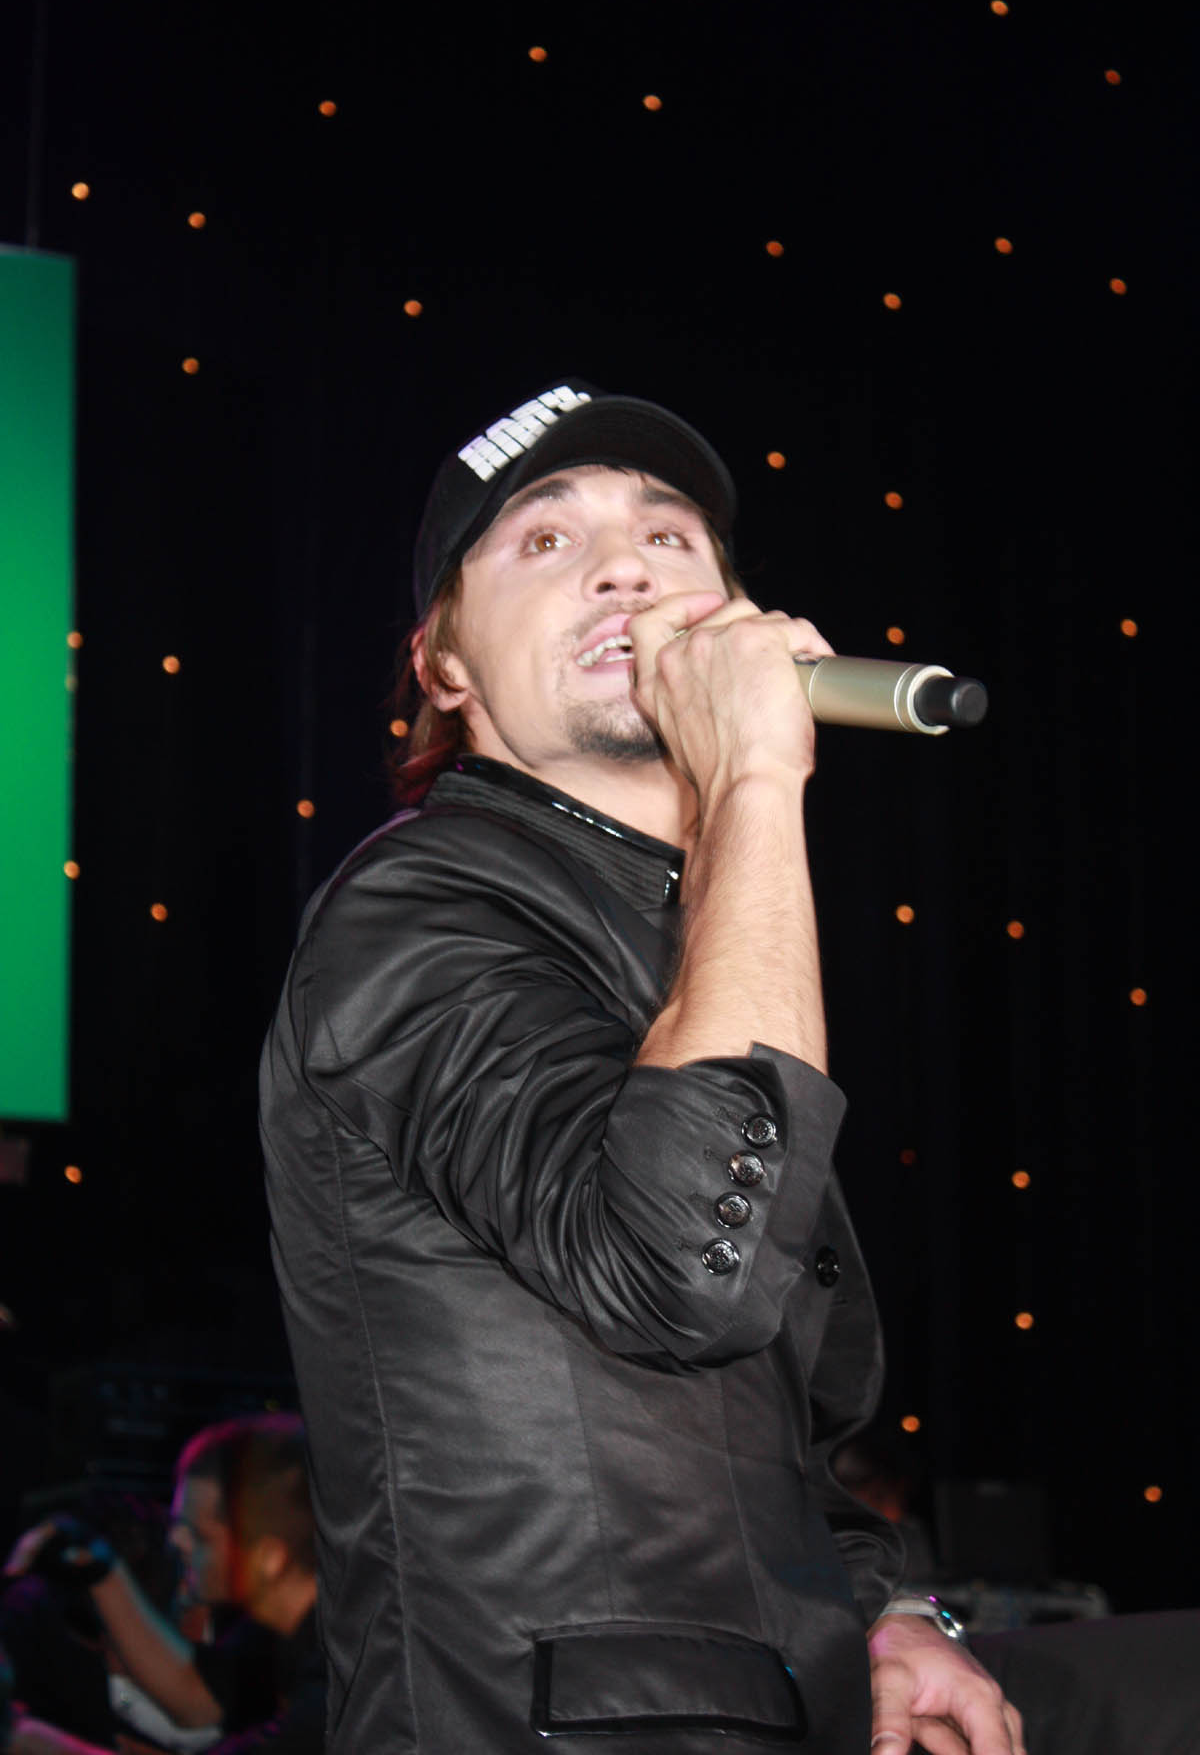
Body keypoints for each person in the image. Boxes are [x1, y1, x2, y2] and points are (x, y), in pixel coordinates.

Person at [260, 377, 1024, 1753]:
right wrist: (752, 782)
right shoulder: (414, 910)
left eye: (669, 536)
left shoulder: (702, 940)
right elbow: (683, 1268)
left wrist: (887, 1616)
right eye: (547, 539)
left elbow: (773, 1428)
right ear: (443, 666)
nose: (628, 565)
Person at [3, 1416, 323, 1753]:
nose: (175, 1541)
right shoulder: (284, 1628)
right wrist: (98, 1566)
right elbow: (197, 1697)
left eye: (199, 1535)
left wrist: (30, 1741)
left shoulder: (343, 1676)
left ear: (269, 1558)